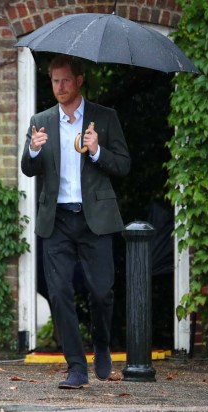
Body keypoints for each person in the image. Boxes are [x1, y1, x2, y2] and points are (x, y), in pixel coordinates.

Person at [21, 55, 131, 389]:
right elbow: (28, 167)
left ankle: (100, 343)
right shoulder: (41, 121)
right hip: (56, 220)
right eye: (55, 81)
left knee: (101, 292)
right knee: (59, 292)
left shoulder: (104, 118)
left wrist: (97, 151)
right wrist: (34, 150)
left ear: (79, 81)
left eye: (66, 80)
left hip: (94, 218)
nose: (60, 87)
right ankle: (76, 367)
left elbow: (124, 165)